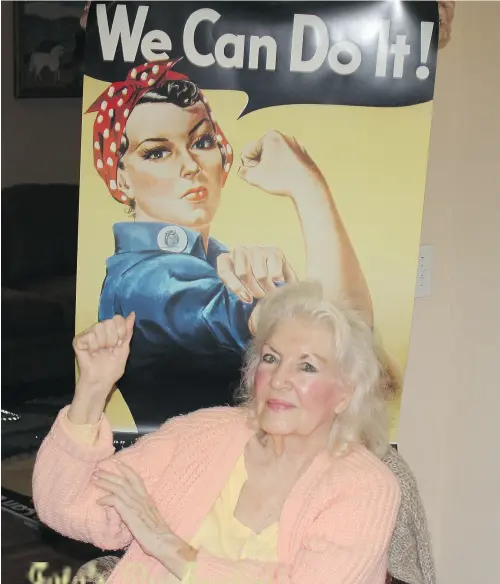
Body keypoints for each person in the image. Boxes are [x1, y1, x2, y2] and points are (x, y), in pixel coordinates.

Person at [33, 281, 400, 584]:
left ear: (345, 393)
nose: (280, 380)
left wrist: (168, 545)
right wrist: (93, 389)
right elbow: (68, 507)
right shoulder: (203, 435)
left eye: (307, 366)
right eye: (271, 359)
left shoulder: (365, 487)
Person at [85, 59, 373, 431]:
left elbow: (356, 343)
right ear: (122, 179)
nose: (190, 165)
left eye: (201, 142)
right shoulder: (148, 282)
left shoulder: (214, 259)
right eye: (157, 151)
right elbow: (339, 343)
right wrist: (307, 186)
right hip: (192, 476)